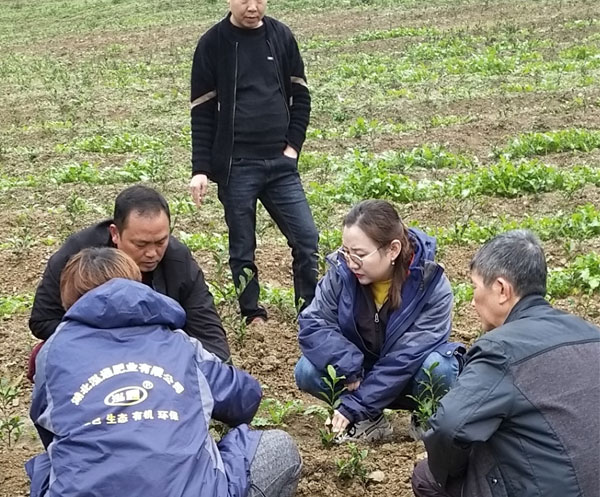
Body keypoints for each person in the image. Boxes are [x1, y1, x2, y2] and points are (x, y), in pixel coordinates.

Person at [26, 247, 301, 497]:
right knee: (277, 448)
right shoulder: (179, 343)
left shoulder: (51, 353)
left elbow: (47, 425)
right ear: (136, 286)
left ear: (69, 301)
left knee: (49, 465)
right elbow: (245, 398)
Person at [412, 230, 600, 497]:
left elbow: (448, 427)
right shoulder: (592, 335)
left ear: (501, 289)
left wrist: (450, 470)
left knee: (427, 477)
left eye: (475, 287)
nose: (473, 301)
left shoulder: (500, 349)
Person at [189, 0, 318, 324]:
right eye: (244, 0)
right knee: (243, 246)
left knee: (306, 239)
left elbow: (300, 96)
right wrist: (201, 169)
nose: (252, 6)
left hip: (280, 165)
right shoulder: (213, 43)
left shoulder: (281, 36)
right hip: (237, 166)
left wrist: (292, 148)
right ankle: (252, 313)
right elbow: (202, 112)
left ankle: (310, 311)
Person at [295, 200, 464, 442]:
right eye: (346, 251)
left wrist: (356, 403)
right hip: (358, 374)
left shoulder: (431, 285)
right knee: (307, 370)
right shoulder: (342, 273)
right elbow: (313, 323)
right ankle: (371, 421)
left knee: (442, 368)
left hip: (407, 377)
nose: (351, 262)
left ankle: (425, 415)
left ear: (393, 250)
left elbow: (405, 359)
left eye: (360, 255)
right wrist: (348, 365)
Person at [29, 184, 230, 362]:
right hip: (92, 352)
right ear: (115, 234)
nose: (152, 253)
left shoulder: (178, 260)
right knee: (41, 356)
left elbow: (209, 333)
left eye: (161, 242)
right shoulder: (77, 257)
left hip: (161, 354)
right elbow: (43, 320)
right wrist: (115, 346)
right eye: (140, 244)